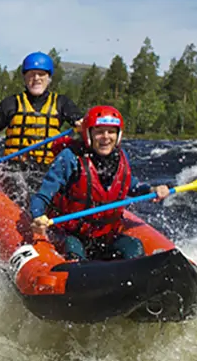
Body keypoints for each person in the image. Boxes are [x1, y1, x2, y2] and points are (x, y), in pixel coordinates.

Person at [29, 106, 170, 261]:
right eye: (99, 132)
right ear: (88, 134)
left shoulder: (121, 157)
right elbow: (42, 195)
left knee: (134, 247)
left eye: (111, 132)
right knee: (73, 249)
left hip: (106, 236)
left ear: (118, 135)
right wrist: (38, 216)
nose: (106, 137)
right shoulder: (70, 158)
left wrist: (152, 189)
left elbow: (132, 186)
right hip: (69, 233)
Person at [0, 51, 84, 201]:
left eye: (41, 74)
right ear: (24, 77)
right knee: (20, 193)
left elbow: (80, 121)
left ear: (49, 78)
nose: (36, 78)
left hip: (47, 171)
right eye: (31, 74)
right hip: (14, 170)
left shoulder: (62, 103)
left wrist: (80, 123)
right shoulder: (10, 104)